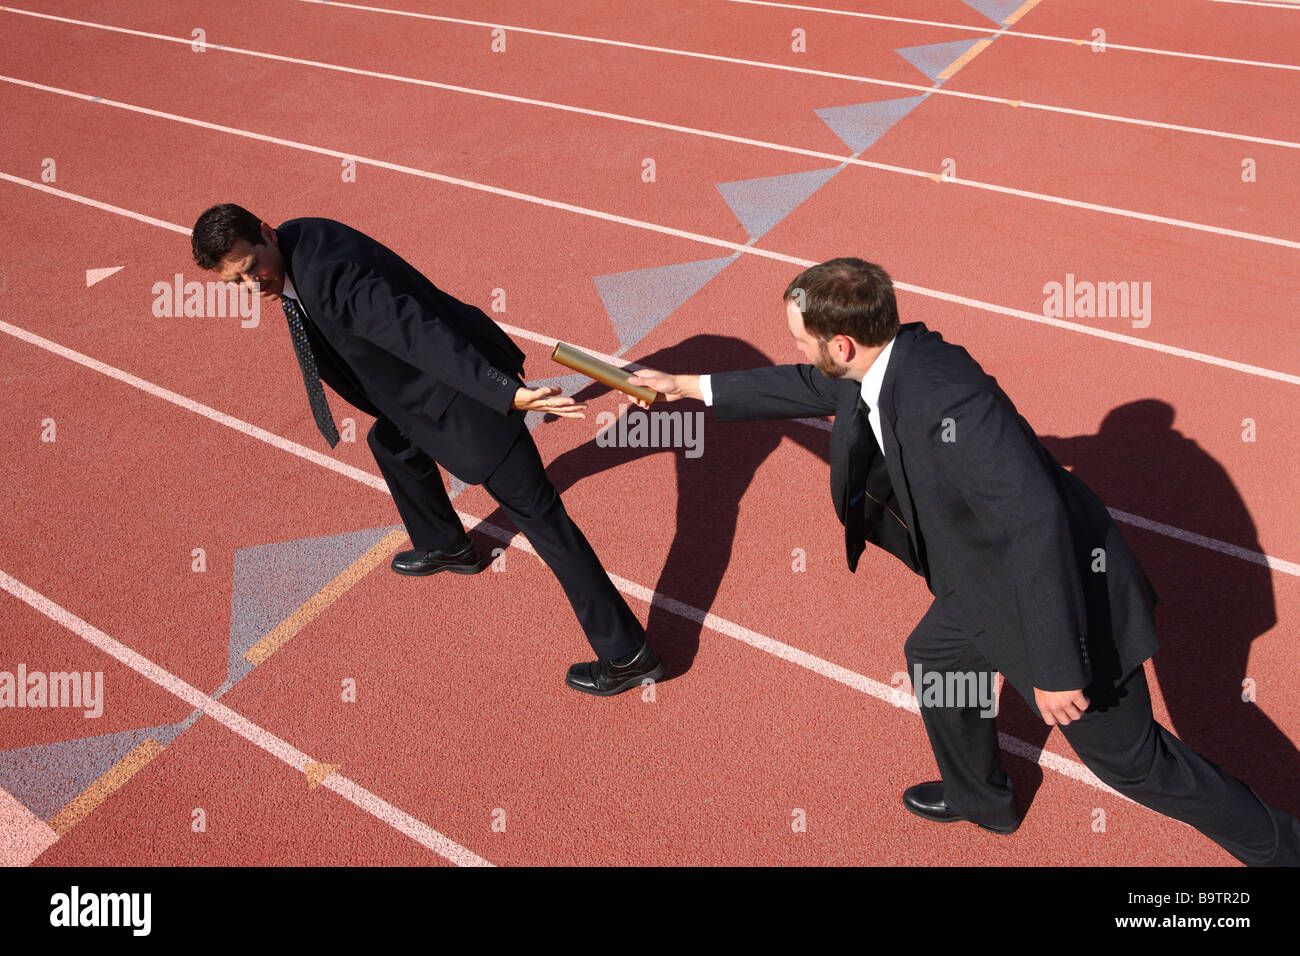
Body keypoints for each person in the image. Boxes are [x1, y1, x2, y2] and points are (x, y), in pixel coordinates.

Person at [628, 257, 1300, 864]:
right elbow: (806, 385)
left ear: (843, 342)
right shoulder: (879, 363)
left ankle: (1283, 849)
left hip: (1067, 602)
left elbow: (1037, 523)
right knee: (937, 659)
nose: (799, 349)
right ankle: (983, 798)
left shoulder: (945, 395)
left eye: (803, 337)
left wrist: (1058, 668)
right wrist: (682, 384)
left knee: (1138, 764)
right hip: (980, 582)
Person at [190, 205, 662, 695]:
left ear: (266, 232)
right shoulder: (296, 242)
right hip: (412, 397)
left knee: (543, 520)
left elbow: (415, 332)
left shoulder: (330, 277)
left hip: (466, 397)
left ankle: (627, 654)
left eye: (251, 270)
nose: (251, 287)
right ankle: (448, 545)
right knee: (391, 442)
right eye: (235, 283)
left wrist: (502, 392)